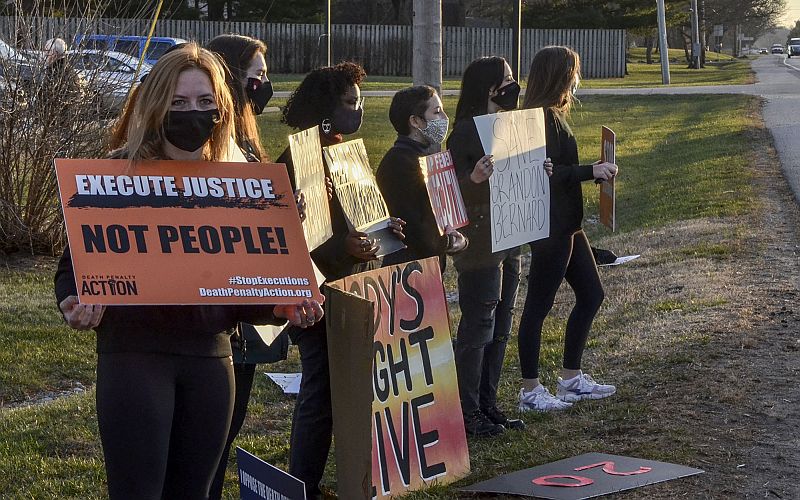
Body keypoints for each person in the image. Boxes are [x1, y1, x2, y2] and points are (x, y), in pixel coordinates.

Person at [54, 43, 324, 500]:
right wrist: (74, 301)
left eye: (203, 102)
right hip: (134, 356)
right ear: (155, 105)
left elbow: (242, 288)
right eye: (178, 102)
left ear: (221, 110)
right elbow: (74, 267)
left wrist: (281, 305)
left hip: (212, 361)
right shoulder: (115, 176)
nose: (191, 114)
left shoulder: (243, 183)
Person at [278, 61, 404, 497]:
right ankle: (304, 483)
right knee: (320, 392)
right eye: (350, 102)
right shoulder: (297, 161)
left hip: (349, 286)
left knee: (339, 391)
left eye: (359, 101)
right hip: (314, 294)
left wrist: (385, 230)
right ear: (326, 106)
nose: (358, 110)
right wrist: (342, 249)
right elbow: (297, 239)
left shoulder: (345, 153)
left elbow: (358, 219)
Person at [203, 34, 291, 500]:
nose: (263, 85)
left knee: (225, 430)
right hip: (223, 311)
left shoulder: (246, 137)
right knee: (207, 441)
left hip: (248, 311)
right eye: (256, 75)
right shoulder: (209, 143)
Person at [516, 46, 618, 413]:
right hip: (550, 227)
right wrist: (591, 171)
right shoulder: (539, 118)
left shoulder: (556, 114)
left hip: (569, 225)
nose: (577, 79)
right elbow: (542, 174)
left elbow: (559, 169)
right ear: (559, 76)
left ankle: (571, 380)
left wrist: (593, 170)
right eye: (573, 72)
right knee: (537, 308)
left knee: (591, 294)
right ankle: (530, 392)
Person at [447, 56, 531, 437]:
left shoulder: (510, 126)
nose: (513, 86)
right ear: (489, 88)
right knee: (479, 324)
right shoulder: (465, 132)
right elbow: (450, 191)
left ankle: (487, 402)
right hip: (481, 240)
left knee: (502, 322)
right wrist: (474, 179)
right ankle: (466, 411)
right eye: (507, 80)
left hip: (510, 231)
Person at [376, 85, 468, 270]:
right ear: (415, 121)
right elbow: (413, 228)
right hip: (408, 270)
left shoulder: (423, 158)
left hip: (427, 266)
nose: (445, 118)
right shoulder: (399, 163)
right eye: (437, 112)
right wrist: (449, 242)